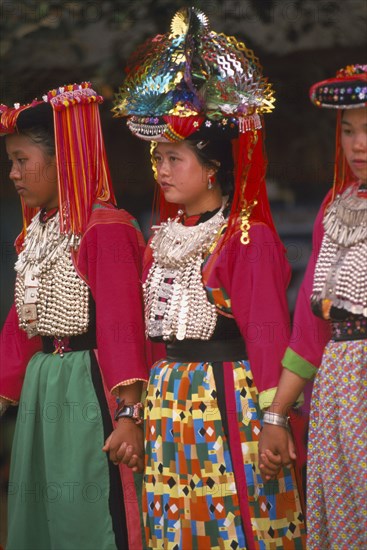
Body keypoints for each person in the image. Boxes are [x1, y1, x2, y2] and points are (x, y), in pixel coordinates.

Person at [113, 8, 307, 549]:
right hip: (168, 402)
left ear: (213, 168)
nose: (162, 171)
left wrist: (275, 418)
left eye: (174, 158)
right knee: (177, 529)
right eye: (158, 158)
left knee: (236, 524)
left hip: (230, 402)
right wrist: (134, 411)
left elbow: (270, 335)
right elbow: (153, 338)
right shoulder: (165, 240)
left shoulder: (246, 238)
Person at [0, 83, 148, 549]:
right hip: (47, 385)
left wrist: (128, 414)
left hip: (90, 386)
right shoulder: (36, 234)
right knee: (47, 513)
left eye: (23, 161)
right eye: (12, 161)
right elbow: (22, 325)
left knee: (91, 516)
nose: (13, 173)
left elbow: (124, 325)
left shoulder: (104, 226)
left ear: (61, 159)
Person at [258, 64, 367, 549]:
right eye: (348, 130)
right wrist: (277, 416)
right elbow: (309, 325)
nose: (357, 144)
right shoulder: (337, 207)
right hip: (339, 389)